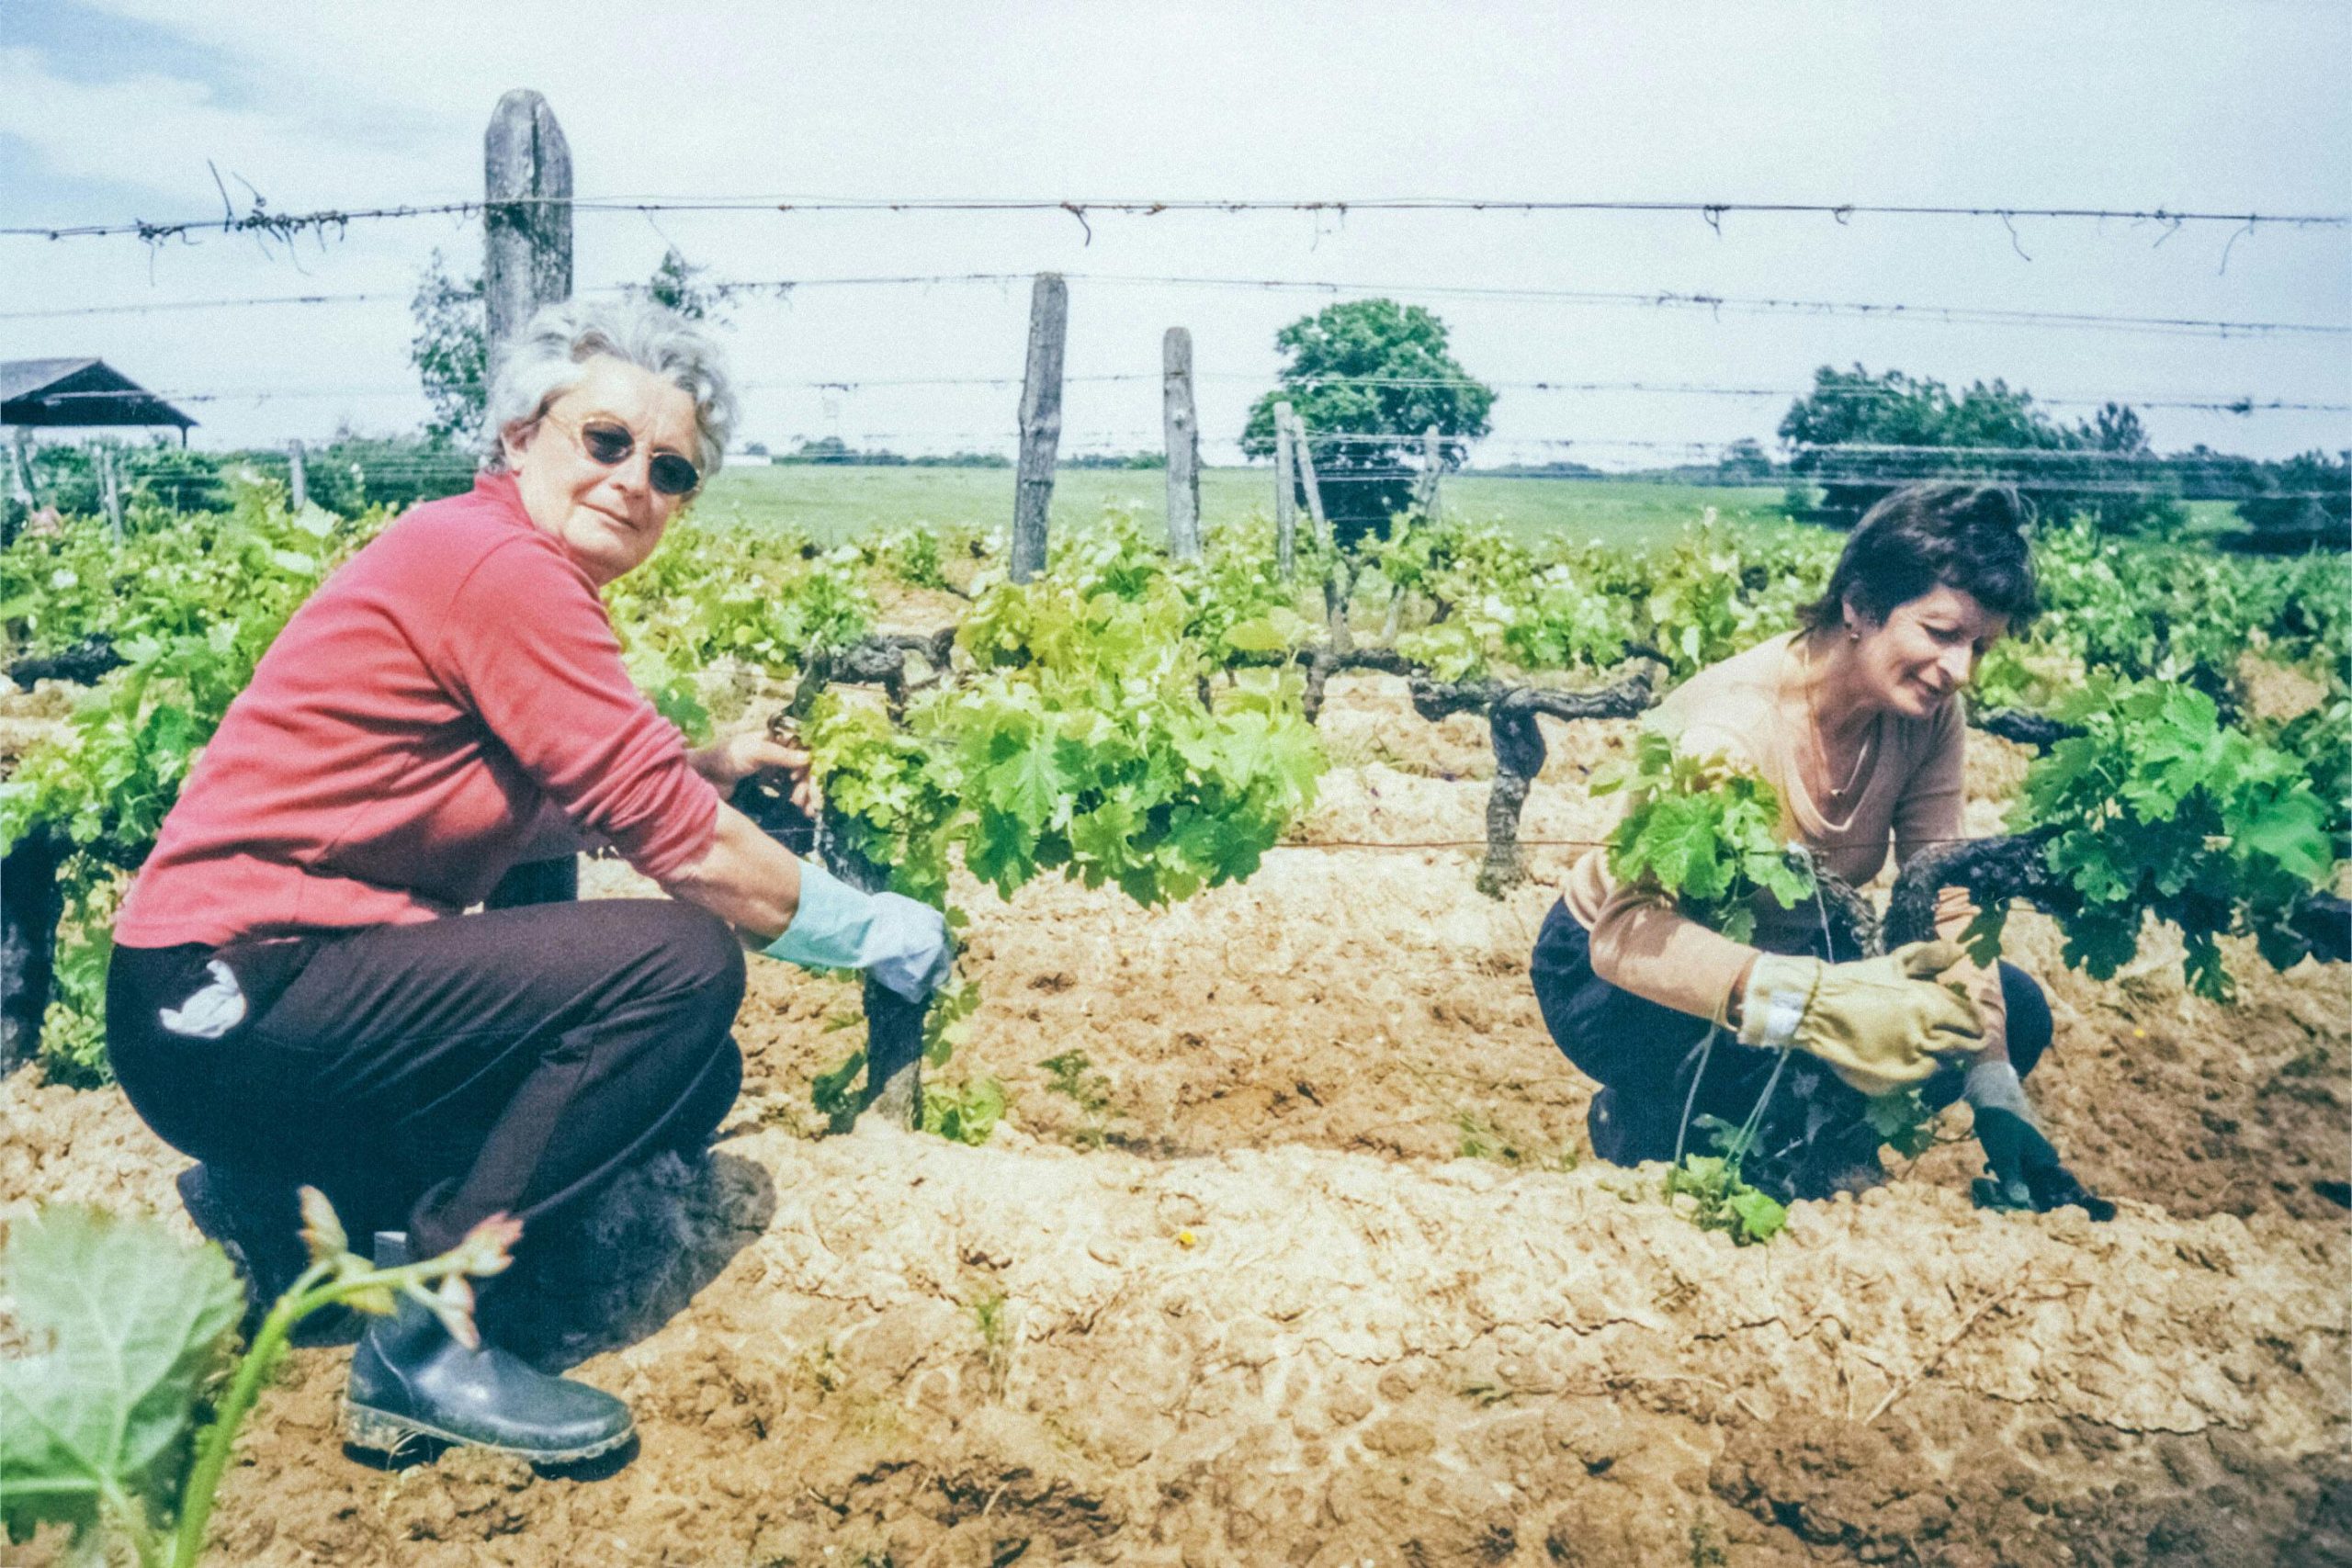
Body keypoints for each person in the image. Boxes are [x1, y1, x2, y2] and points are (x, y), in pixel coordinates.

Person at [105, 299, 951, 1465]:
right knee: (679, 963)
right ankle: (426, 1343)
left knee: (687, 1079)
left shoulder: (480, 554)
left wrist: (699, 766)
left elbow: (543, 800)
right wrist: (874, 930)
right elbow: (687, 851)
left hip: (249, 1015)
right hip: (236, 1002)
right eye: (604, 441)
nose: (632, 481)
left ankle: (332, 1221)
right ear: (520, 436)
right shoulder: (499, 563)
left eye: (671, 469)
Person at [1532, 483, 2105, 1212]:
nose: (1960, 669)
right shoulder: (1730, 729)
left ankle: (1798, 1127)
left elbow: (1949, 893)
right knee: (1760, 1084)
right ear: (1860, 607)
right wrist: (1818, 1005)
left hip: (1796, 957)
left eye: (1978, 646)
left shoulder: (1928, 717)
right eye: (1940, 632)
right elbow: (1625, 934)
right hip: (1619, 982)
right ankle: (1646, 1118)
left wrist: (1992, 1082)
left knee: (2011, 1009)